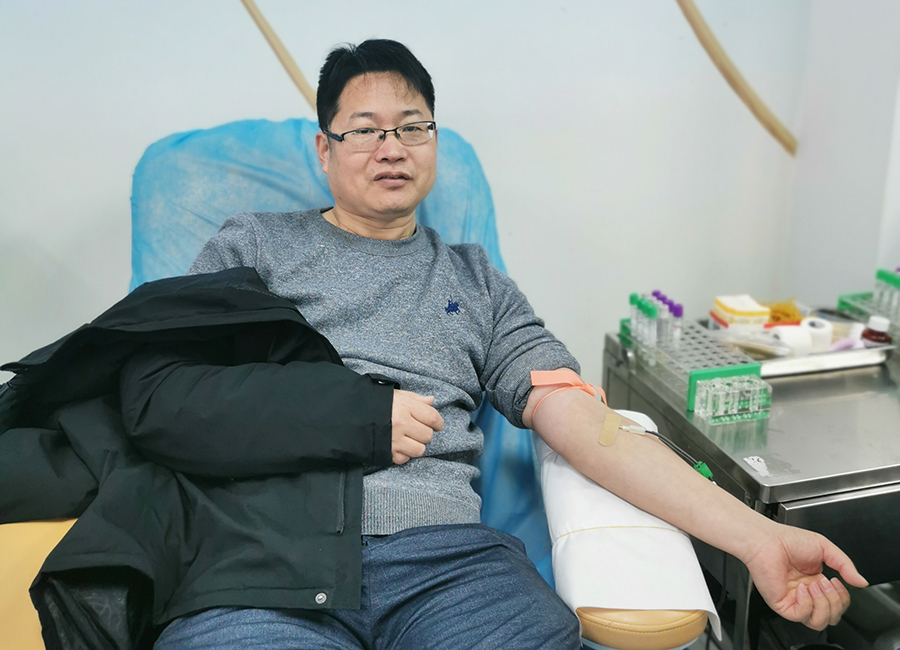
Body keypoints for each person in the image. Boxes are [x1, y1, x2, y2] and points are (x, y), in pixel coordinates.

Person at [148, 39, 866, 649]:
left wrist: (758, 538)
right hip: (265, 560)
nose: (391, 148)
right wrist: (351, 416)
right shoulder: (256, 248)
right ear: (324, 150)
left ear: (434, 141)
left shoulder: (477, 282)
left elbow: (583, 424)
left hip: (443, 567)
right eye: (364, 130)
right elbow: (166, 393)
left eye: (412, 126)